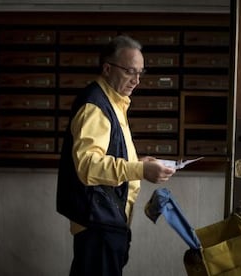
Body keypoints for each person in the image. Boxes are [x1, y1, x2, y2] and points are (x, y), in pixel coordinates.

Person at [56, 35, 176, 276]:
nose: (137, 80)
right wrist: (140, 170)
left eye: (140, 72)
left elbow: (106, 153)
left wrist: (137, 163)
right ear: (108, 68)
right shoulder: (95, 105)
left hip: (107, 219)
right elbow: (88, 166)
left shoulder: (114, 101)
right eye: (130, 71)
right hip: (97, 223)